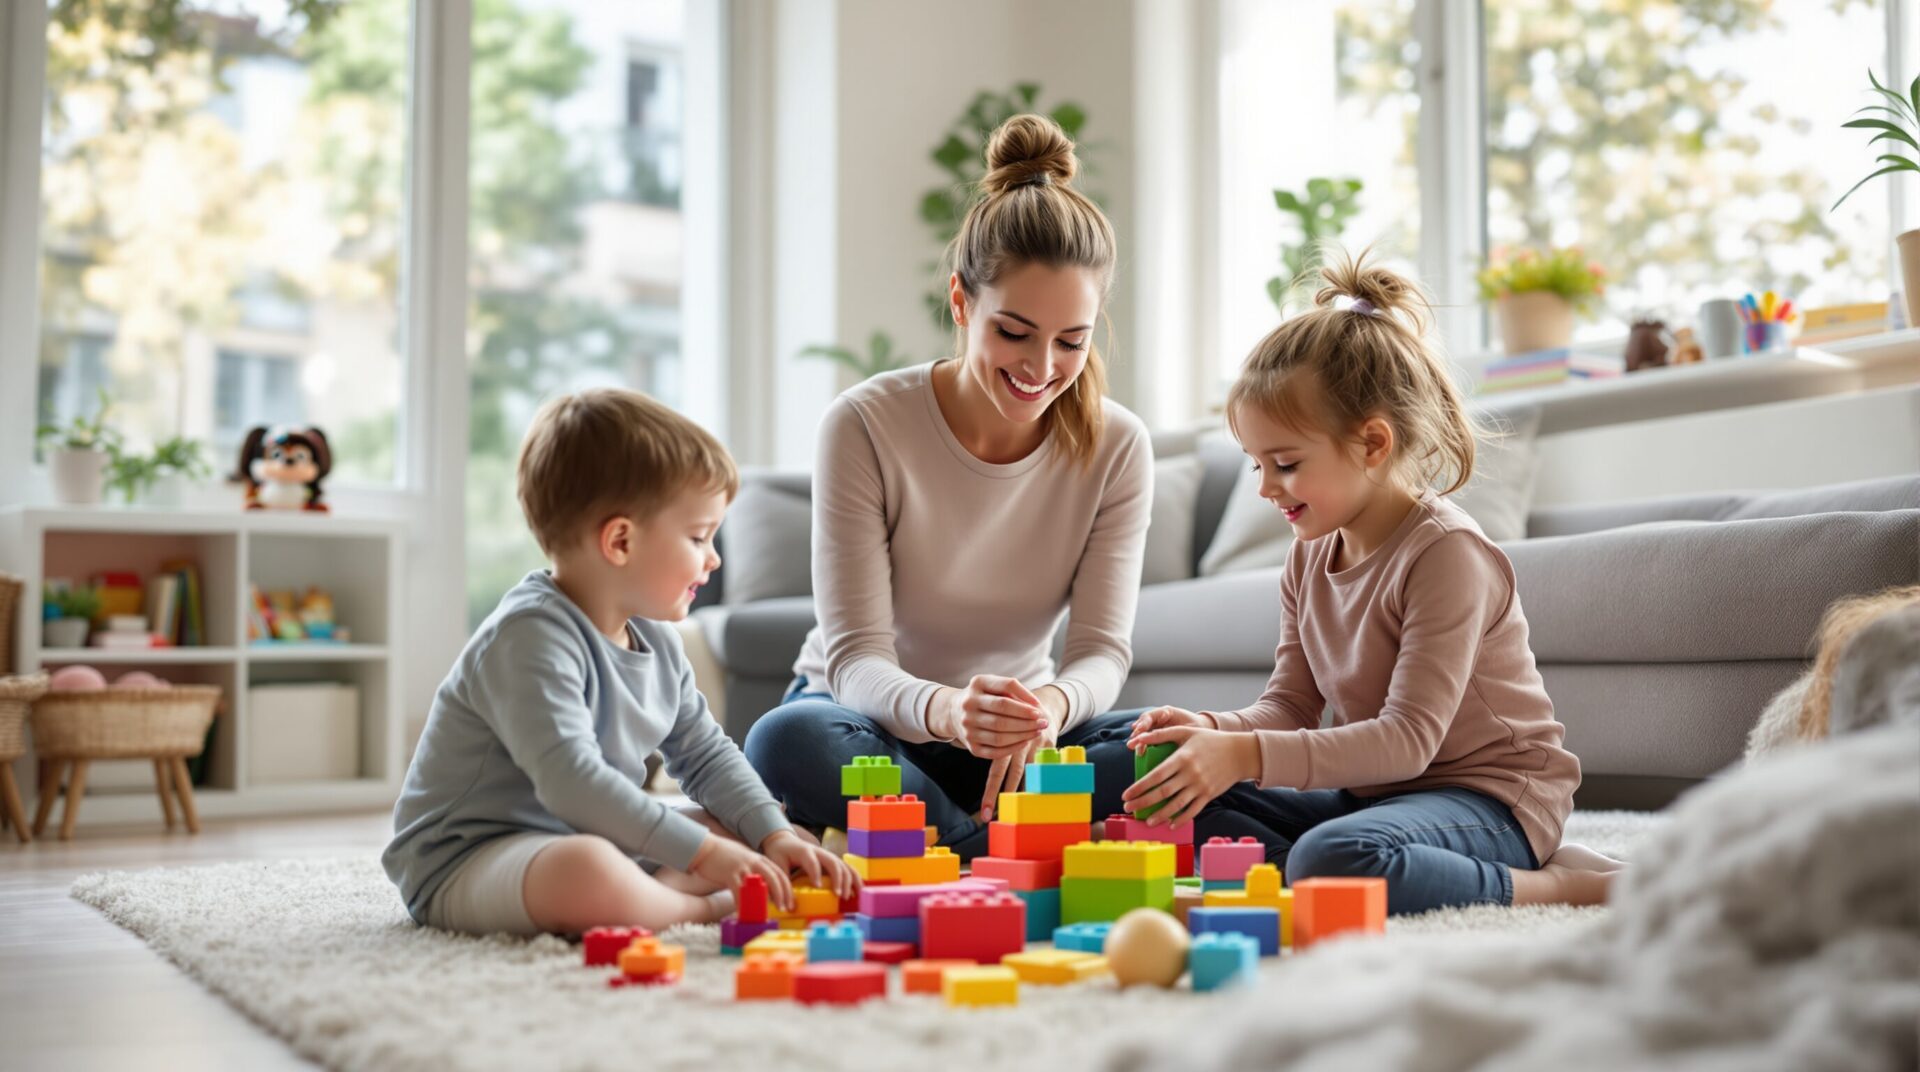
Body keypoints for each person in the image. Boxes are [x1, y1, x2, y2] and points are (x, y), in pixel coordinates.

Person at [1124, 252, 1621, 914]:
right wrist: (1212, 732)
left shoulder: (1446, 554)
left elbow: (1408, 741)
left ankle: (1564, 883)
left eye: (1285, 464)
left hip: (1493, 801)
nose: (1267, 487)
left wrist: (1243, 754)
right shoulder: (1308, 554)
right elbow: (1290, 706)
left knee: (1336, 858)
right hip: (1380, 797)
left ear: (1373, 444)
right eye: (1255, 465)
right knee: (1188, 803)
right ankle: (1321, 876)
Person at [745, 114, 1154, 856]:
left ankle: (947, 838)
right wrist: (949, 711)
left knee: (1166, 745)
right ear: (962, 303)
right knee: (787, 739)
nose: (1041, 369)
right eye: (1014, 332)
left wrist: (1047, 708)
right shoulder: (865, 423)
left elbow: (1101, 653)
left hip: (1018, 746)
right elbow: (855, 660)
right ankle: (995, 853)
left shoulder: (1118, 446)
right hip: (871, 724)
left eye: (1072, 340)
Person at [384, 388, 854, 935]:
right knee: (588, 871)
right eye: (699, 537)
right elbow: (573, 784)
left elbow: (705, 756)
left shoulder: (656, 639)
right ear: (620, 541)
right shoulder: (527, 638)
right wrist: (704, 858)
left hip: (590, 835)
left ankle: (656, 895)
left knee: (752, 833)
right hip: (470, 858)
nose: (713, 559)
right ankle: (699, 907)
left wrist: (773, 833)